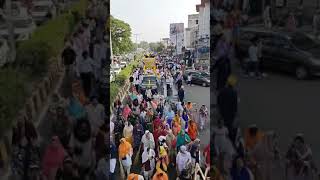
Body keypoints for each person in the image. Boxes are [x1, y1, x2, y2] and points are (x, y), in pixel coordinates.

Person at [217, 75, 238, 141]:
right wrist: (235, 113)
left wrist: (220, 109)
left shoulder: (223, 90)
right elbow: (235, 105)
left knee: (221, 123)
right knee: (229, 126)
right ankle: (229, 138)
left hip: (222, 111)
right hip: (230, 113)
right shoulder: (234, 93)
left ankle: (221, 136)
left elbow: (219, 100)